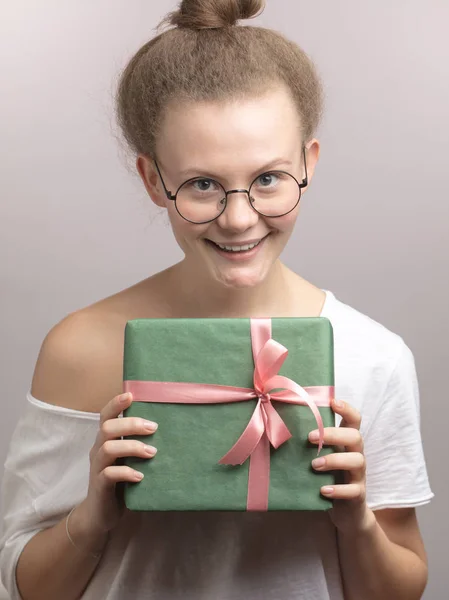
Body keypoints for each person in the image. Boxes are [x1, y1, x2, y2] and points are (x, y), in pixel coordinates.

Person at [0, 1, 434, 599]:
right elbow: (28, 587)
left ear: (308, 163)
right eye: (202, 184)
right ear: (155, 180)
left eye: (268, 179)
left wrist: (355, 520)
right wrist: (94, 513)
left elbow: (402, 589)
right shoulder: (82, 348)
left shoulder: (373, 357)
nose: (238, 219)